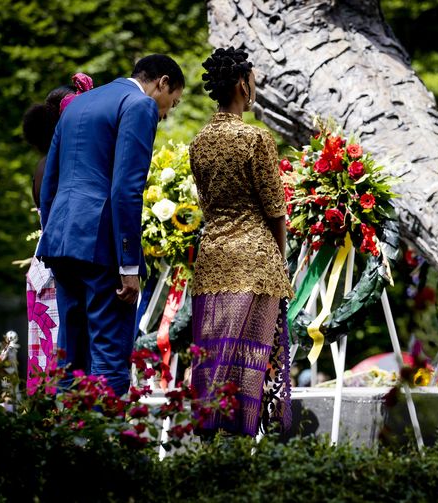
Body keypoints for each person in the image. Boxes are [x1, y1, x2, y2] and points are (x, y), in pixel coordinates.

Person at [37, 55, 184, 397]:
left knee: (69, 352)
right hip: (101, 246)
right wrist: (129, 264)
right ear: (162, 82)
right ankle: (105, 445)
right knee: (108, 353)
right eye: (172, 103)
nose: (166, 114)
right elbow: (126, 189)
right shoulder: (140, 105)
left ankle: (63, 439)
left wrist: (51, 235)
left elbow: (50, 185)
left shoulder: (77, 105)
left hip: (61, 242)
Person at [189, 47, 294, 437]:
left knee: (214, 357)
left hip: (212, 259)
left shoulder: (198, 143)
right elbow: (275, 208)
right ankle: (251, 440)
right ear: (240, 84)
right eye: (252, 80)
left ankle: (211, 436)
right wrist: (280, 260)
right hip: (255, 260)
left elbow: (206, 205)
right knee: (255, 359)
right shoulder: (255, 138)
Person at [21, 74, 93, 394]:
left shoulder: (42, 164)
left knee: (52, 352)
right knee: (70, 344)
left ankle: (53, 419)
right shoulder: (63, 163)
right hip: (66, 257)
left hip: (46, 260)